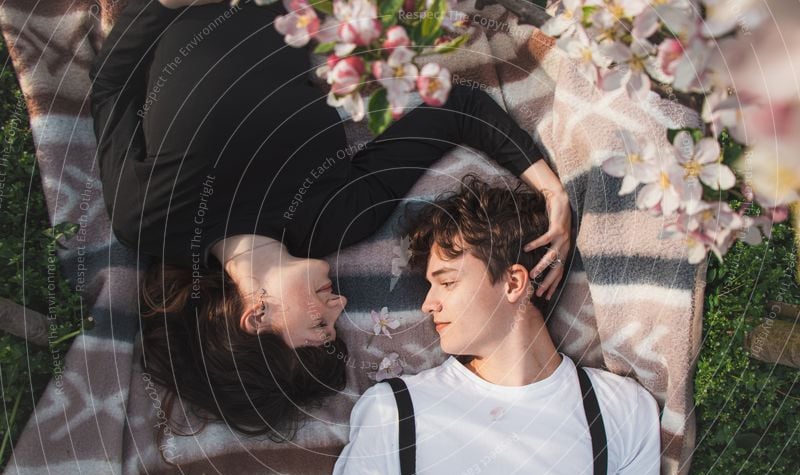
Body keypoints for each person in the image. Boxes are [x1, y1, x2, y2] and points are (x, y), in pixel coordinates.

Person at [89, 0, 572, 437]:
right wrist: (549, 187)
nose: (339, 304)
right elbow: (453, 107)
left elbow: (112, 86)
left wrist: (159, 5)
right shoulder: (336, 220)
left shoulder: (149, 220)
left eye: (320, 326)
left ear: (257, 316)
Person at [329, 174, 662, 475]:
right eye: (430, 285)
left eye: (447, 282)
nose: (428, 304)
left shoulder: (623, 410)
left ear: (514, 282)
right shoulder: (392, 411)